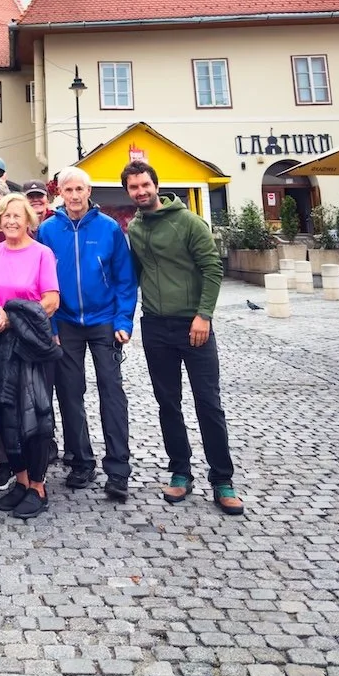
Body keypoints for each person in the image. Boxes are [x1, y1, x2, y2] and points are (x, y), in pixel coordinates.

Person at [122, 160, 244, 515]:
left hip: (194, 325)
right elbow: (134, 274)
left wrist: (204, 315)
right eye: (134, 187)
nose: (141, 191)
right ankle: (180, 472)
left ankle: (222, 479)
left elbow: (212, 268)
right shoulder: (136, 228)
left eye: (145, 184)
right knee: (168, 404)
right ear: (129, 191)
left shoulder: (189, 222)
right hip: (156, 326)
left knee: (208, 403)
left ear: (156, 185)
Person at [36, 167, 137, 501]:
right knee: (69, 393)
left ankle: (118, 469)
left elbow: (125, 279)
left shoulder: (108, 228)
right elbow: (43, 282)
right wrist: (50, 327)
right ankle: (81, 460)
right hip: (65, 322)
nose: (75, 196)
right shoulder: (49, 230)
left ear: (89, 191)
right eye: (69, 190)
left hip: (104, 320)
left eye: (80, 189)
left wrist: (123, 320)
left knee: (112, 391)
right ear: (60, 194)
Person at [0, 193, 60, 519]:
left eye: (17, 216)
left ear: (28, 220)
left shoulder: (41, 253)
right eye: (6, 216)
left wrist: (12, 318)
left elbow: (51, 300)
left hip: (29, 346)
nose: (11, 221)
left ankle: (38, 487)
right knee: (2, 413)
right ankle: (22, 481)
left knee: (32, 416)